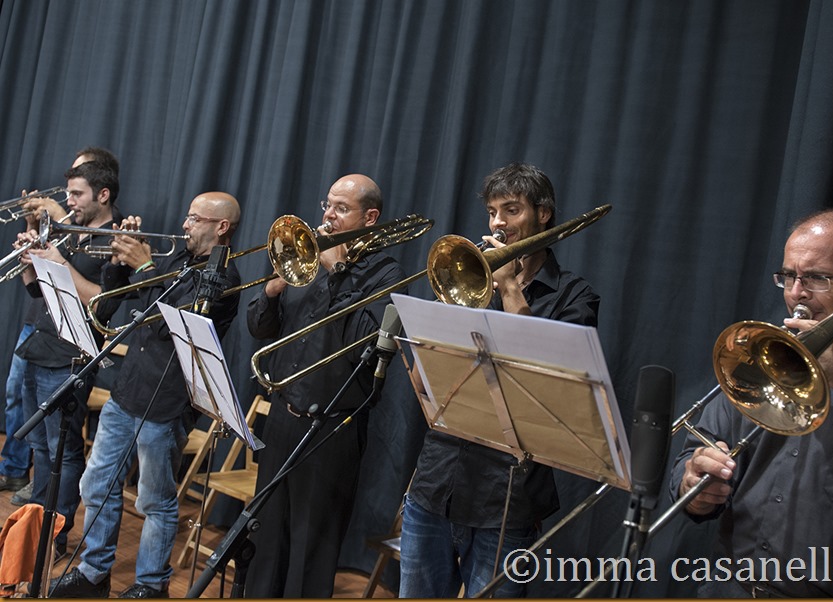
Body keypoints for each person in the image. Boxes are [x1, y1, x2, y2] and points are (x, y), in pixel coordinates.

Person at [669, 208, 833, 597]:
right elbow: (696, 453)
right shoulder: (763, 352)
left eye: (817, 278)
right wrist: (692, 482)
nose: (795, 294)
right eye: (788, 276)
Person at [399, 162, 601, 598]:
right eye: (492, 212)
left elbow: (549, 384)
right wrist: (444, 316)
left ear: (542, 213)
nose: (497, 223)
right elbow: (422, 386)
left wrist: (509, 289)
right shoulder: (470, 281)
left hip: (506, 496)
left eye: (510, 210)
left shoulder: (574, 295)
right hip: (437, 483)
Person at [49, 191, 242, 598]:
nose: (185, 224)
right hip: (127, 390)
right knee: (96, 486)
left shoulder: (224, 278)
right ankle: (94, 571)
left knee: (154, 501)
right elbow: (116, 299)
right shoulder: (175, 260)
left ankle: (151, 585)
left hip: (166, 403)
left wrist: (147, 265)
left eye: (195, 218)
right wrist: (119, 265)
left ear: (221, 227)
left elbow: (173, 322)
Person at [245, 174, 406, 597]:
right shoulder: (306, 261)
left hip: (331, 430)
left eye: (340, 208)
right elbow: (259, 328)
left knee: (310, 548)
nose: (327, 216)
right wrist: (274, 290)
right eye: (327, 205)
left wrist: (338, 272)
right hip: (283, 417)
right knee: (267, 538)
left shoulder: (386, 274)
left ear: (370, 217)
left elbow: (363, 349)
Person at [1, 147, 120, 507]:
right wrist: (28, 258)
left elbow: (102, 301)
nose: (68, 202)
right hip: (39, 347)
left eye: (76, 194)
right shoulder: (70, 233)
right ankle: (38, 523)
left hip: (71, 358)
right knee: (38, 445)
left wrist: (59, 261)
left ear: (103, 195)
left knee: (62, 451)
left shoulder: (115, 241)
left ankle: (59, 528)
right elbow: (37, 290)